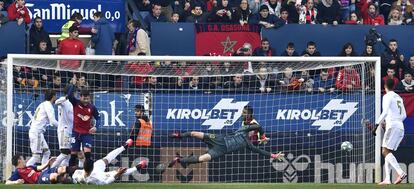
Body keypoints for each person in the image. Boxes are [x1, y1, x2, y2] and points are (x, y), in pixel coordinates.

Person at [161, 106, 283, 171]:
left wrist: (273, 156)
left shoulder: (248, 144)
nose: (252, 133)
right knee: (195, 134)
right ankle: (180, 136)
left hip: (221, 150)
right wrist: (262, 135)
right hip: (220, 139)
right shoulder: (244, 128)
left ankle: (180, 160)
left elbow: (260, 151)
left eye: (244, 112)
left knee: (202, 159)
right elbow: (258, 126)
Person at [373, 79, 407, 185]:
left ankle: (401, 173)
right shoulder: (398, 97)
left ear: (384, 86)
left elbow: (385, 112)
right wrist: (395, 120)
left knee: (384, 151)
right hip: (400, 127)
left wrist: (376, 125)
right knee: (387, 151)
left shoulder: (387, 96)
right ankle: (387, 178)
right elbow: (404, 115)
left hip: (392, 126)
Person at [72, 140, 148, 185]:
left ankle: (124, 146)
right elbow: (106, 182)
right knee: (120, 172)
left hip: (94, 169)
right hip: (99, 173)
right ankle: (139, 166)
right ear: (91, 167)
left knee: (106, 159)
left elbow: (74, 178)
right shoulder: (95, 179)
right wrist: (117, 174)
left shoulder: (77, 172)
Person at [66, 83, 101, 167]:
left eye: (88, 99)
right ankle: (71, 174)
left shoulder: (92, 107)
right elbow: (70, 95)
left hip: (86, 133)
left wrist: (96, 127)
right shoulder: (75, 103)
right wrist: (73, 85)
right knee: (73, 155)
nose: (86, 100)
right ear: (80, 97)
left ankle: (87, 173)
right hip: (76, 132)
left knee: (87, 154)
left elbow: (99, 119)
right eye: (84, 98)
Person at [27, 89, 58, 167]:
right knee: (36, 156)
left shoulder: (42, 104)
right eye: (56, 96)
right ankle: (23, 173)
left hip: (37, 132)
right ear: (53, 96)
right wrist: (63, 127)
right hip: (37, 132)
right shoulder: (49, 106)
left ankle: (43, 172)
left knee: (47, 152)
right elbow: (53, 121)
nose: (56, 98)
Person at [51, 84, 74, 168]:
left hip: (71, 131)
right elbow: (56, 102)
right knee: (65, 152)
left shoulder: (73, 103)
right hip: (64, 130)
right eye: (73, 92)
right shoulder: (63, 100)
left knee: (68, 155)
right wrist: (67, 97)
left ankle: (61, 173)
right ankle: (51, 170)